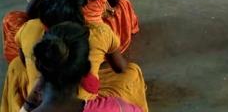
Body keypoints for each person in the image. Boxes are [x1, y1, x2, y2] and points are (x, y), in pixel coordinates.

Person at [16, 21, 145, 111]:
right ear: (85, 70)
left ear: (40, 65)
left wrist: (26, 106)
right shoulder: (118, 108)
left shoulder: (29, 27)